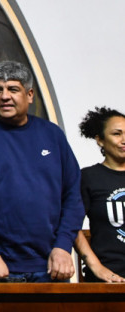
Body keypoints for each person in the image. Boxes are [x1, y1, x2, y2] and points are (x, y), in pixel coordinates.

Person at [0, 61, 85, 282]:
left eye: (13, 89)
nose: (4, 96)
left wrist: (63, 246)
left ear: (29, 95)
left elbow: (73, 195)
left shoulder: (52, 135)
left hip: (50, 265)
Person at [74, 106, 125, 282]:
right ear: (100, 140)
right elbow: (71, 226)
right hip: (107, 281)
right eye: (117, 134)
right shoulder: (89, 177)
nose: (124, 139)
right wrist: (97, 267)